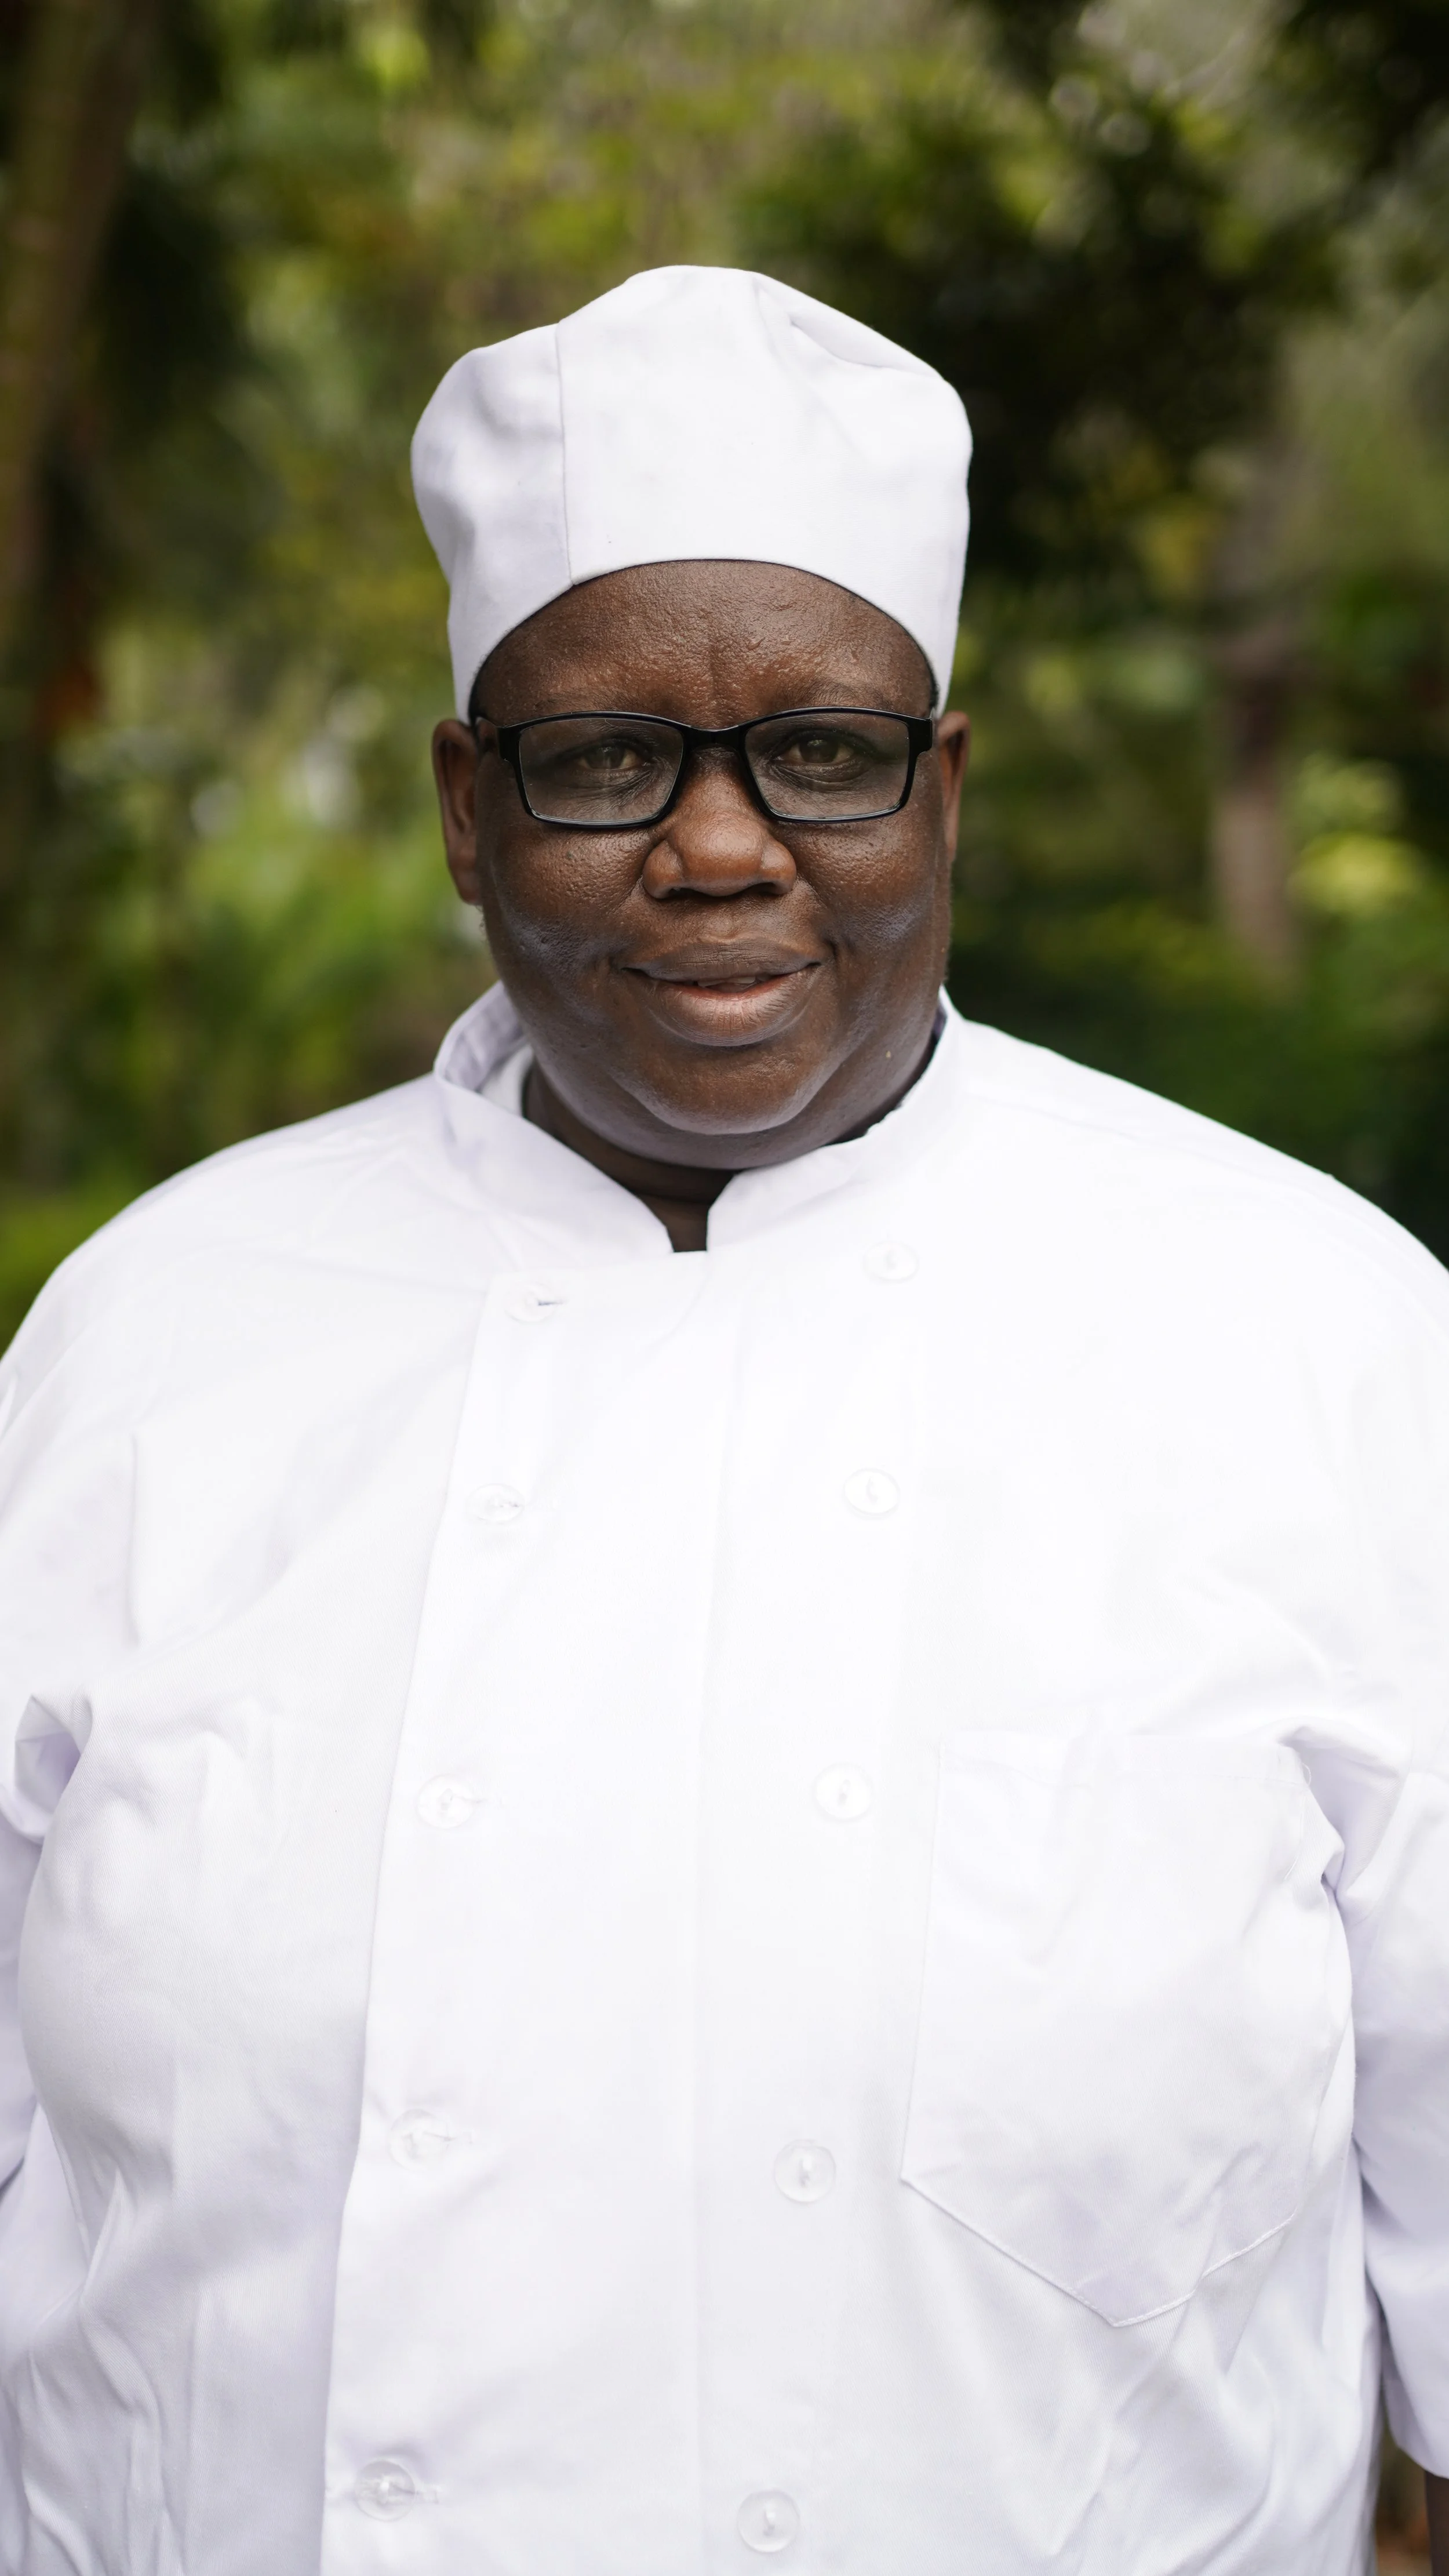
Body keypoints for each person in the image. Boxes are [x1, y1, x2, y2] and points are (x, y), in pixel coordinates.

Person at [0, 263, 1444, 2576]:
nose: (715, 846)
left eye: (822, 752)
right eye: (600, 758)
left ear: (939, 793)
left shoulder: (1315, 1341)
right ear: (465, 808)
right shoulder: (155, 1341)